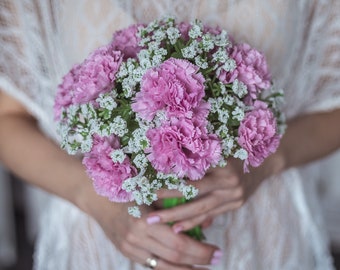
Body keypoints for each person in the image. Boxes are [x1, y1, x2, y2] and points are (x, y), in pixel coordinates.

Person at [0, 0, 339, 269]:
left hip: (265, 237)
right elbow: (8, 118)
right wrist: (95, 199)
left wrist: (265, 164)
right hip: (98, 240)